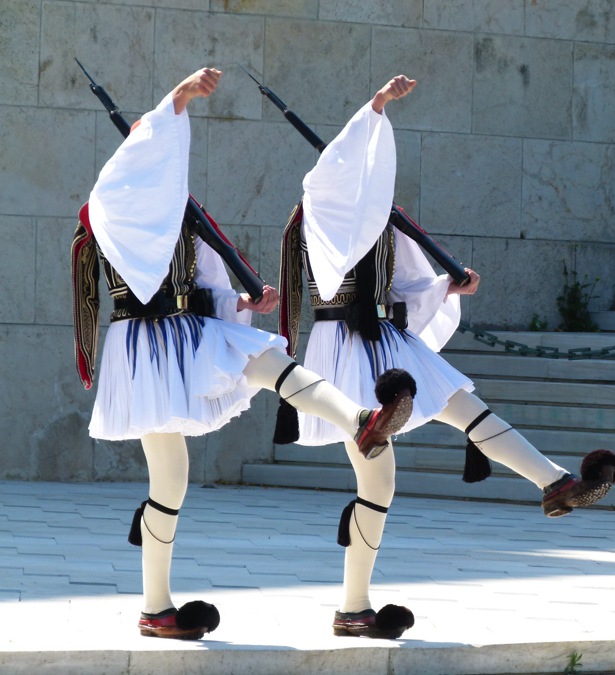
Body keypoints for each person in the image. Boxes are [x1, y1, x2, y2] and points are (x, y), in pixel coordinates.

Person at [72, 67, 414, 641]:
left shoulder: (183, 215)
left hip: (193, 327)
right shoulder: (108, 207)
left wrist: (245, 302)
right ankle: (155, 608)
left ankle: (360, 420)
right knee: (170, 481)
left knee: (267, 357)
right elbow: (132, 175)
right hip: (146, 345)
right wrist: (175, 101)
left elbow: (207, 280)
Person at [276, 75, 615, 640]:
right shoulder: (314, 215)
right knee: (378, 485)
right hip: (343, 347)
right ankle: (353, 606)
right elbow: (330, 221)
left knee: (466, 407)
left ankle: (555, 482)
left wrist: (447, 288)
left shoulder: (387, 221)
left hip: (391, 339)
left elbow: (411, 285)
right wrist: (377, 108)